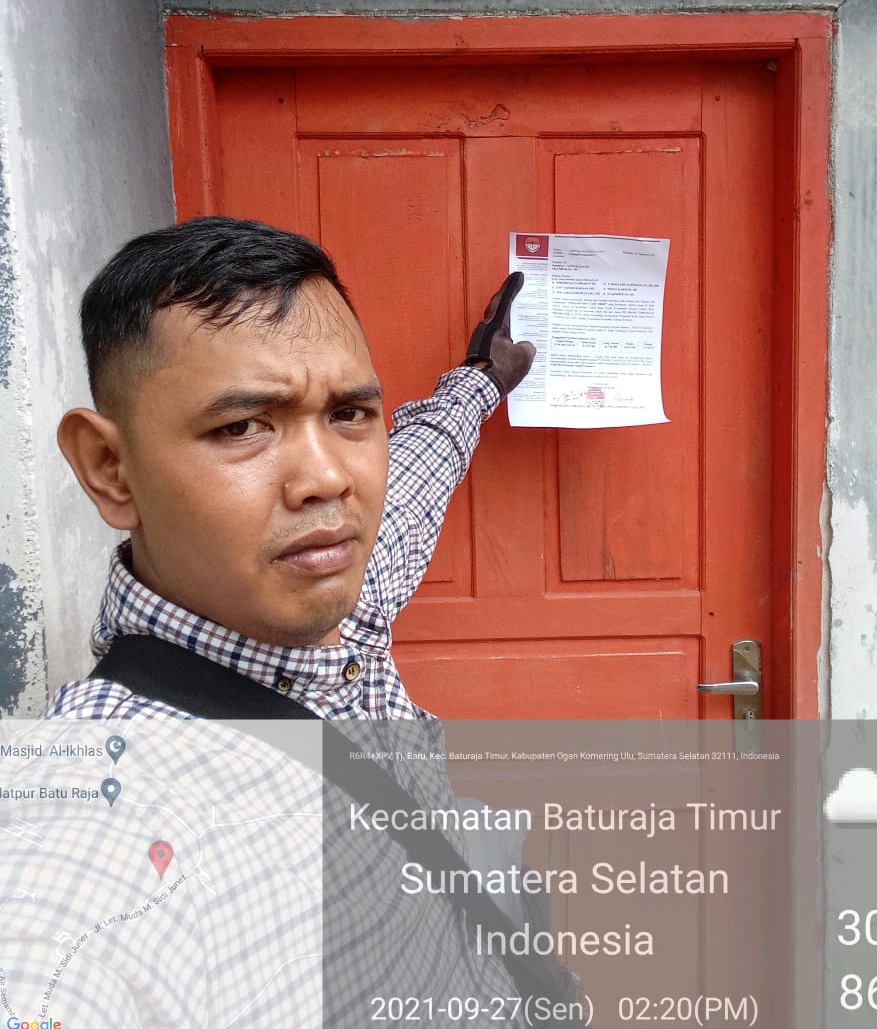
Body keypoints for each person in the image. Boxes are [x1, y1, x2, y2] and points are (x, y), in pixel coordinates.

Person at [48, 215, 534, 720]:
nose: (329, 479)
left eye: (348, 414)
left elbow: (420, 471)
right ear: (110, 469)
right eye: (241, 427)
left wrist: (484, 377)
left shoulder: (341, 582)